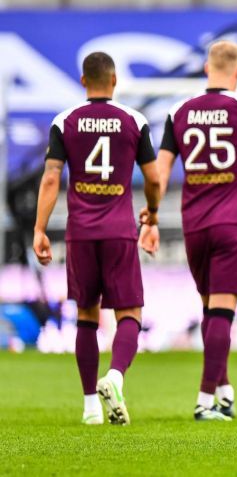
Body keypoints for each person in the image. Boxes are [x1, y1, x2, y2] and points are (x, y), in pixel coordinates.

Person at [148, 40, 237, 421]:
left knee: (211, 310)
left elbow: (159, 174)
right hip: (234, 222)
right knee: (221, 313)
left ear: (207, 68)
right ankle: (205, 401)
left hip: (194, 224)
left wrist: (151, 217)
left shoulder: (178, 111)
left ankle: (224, 391)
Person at [33, 51, 161, 425]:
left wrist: (40, 228)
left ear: (83, 80)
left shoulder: (65, 121)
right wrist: (152, 213)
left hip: (81, 232)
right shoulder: (133, 121)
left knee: (86, 316)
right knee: (130, 313)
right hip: (120, 230)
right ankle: (116, 377)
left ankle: (91, 408)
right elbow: (153, 179)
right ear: (115, 80)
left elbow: (52, 177)